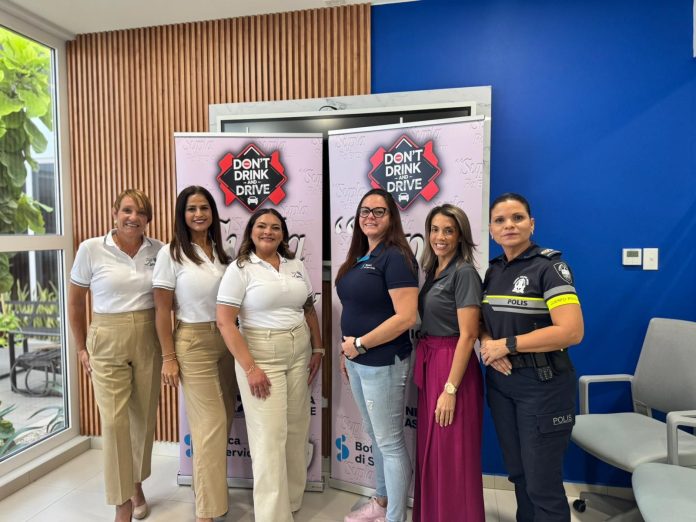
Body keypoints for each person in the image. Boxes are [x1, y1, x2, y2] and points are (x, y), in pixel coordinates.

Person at [479, 193, 584, 522]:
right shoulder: (493, 271)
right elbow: (483, 323)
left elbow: (571, 331)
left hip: (543, 386)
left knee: (542, 483)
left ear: (531, 224)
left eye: (517, 218)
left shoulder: (550, 267)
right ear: (491, 230)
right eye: (500, 220)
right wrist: (488, 344)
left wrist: (508, 345)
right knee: (519, 474)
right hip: (501, 383)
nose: (509, 225)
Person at [215, 208, 323, 522]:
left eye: (275, 227)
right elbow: (225, 322)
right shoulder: (240, 269)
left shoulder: (295, 265)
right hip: (261, 354)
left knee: (296, 429)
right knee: (269, 438)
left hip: (299, 350)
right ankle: (272, 516)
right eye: (261, 226)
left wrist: (318, 347)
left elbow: (308, 307)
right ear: (251, 231)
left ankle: (291, 501)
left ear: (283, 234)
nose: (268, 232)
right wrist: (250, 368)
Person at [68, 189, 163, 522]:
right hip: (107, 336)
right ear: (114, 213)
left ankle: (135, 484)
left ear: (148, 219)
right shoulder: (91, 249)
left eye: (141, 212)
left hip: (148, 336)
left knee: (143, 418)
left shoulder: (160, 250)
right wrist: (81, 347)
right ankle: (122, 502)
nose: (133, 218)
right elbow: (76, 302)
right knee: (113, 421)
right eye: (127, 210)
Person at [152, 186, 237, 522]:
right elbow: (162, 310)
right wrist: (168, 357)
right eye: (191, 209)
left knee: (223, 421)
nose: (199, 214)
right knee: (211, 426)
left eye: (204, 208)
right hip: (193, 341)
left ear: (213, 213)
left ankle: (212, 496)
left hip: (227, 340)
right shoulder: (170, 254)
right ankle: (206, 512)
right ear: (182, 214)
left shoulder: (223, 253)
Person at [336, 188, 418, 522]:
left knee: (390, 443)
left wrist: (359, 345)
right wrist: (348, 354)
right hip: (357, 360)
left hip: (383, 362)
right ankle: (381, 503)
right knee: (377, 438)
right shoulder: (362, 255)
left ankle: (396, 517)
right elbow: (356, 307)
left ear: (391, 217)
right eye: (365, 211)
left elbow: (406, 317)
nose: (370, 216)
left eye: (379, 211)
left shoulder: (395, 257)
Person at [413, 204, 484, 522]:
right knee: (433, 453)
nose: (439, 237)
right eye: (435, 229)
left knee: (452, 455)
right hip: (431, 363)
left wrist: (450, 389)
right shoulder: (433, 271)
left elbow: (468, 335)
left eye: (448, 231)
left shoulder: (464, 273)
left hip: (452, 367)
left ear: (460, 236)